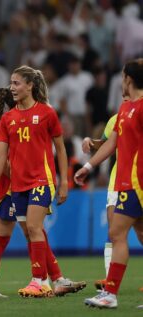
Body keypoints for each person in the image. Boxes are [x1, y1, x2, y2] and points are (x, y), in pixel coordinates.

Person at [0, 88, 86, 298]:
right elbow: (7, 163)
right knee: (19, 234)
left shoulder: (9, 122)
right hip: (11, 188)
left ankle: (54, 279)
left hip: (11, 186)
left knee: (31, 232)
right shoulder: (12, 123)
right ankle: (43, 279)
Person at [76, 59, 143, 309]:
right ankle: (110, 294)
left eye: (123, 77)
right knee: (122, 234)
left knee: (117, 234)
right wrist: (88, 167)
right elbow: (111, 143)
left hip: (138, 183)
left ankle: (110, 294)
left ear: (128, 79)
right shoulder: (125, 109)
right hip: (127, 182)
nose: (121, 82)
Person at [81, 113, 118, 290]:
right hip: (118, 180)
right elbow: (106, 143)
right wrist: (90, 141)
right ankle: (109, 279)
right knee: (113, 231)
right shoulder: (116, 119)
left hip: (138, 178)